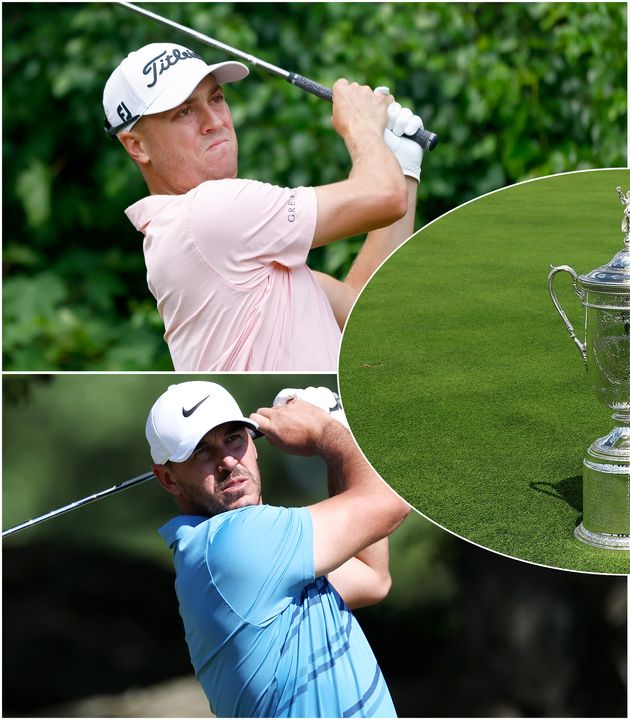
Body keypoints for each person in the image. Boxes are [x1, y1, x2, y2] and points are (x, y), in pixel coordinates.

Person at [104, 43, 425, 371]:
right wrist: (362, 127)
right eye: (183, 112)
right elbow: (385, 195)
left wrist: (403, 166)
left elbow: (364, 314)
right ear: (137, 145)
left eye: (216, 98)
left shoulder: (239, 253)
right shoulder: (203, 214)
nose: (214, 121)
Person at [146, 380, 410, 716]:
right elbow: (391, 503)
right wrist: (329, 431)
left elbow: (371, 576)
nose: (227, 461)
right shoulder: (234, 543)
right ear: (168, 479)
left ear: (254, 444)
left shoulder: (235, 559)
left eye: (233, 438)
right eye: (201, 451)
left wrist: (341, 436)